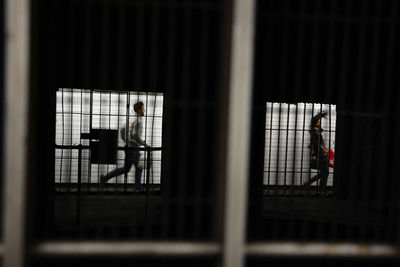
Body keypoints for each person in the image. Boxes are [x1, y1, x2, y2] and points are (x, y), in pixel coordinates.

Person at [100, 101, 150, 192]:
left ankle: (138, 187)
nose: (145, 110)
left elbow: (122, 129)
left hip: (129, 147)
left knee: (134, 168)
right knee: (134, 168)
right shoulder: (139, 120)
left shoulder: (131, 118)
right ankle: (139, 188)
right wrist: (145, 144)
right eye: (143, 108)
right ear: (139, 110)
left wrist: (125, 139)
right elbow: (136, 135)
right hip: (133, 149)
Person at [303, 111, 330, 196]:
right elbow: (316, 144)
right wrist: (323, 149)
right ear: (314, 123)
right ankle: (320, 190)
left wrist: (320, 115)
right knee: (325, 172)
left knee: (324, 172)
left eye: (319, 121)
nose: (319, 122)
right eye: (317, 122)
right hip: (318, 154)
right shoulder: (313, 132)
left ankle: (310, 184)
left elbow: (320, 144)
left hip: (320, 153)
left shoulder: (318, 131)